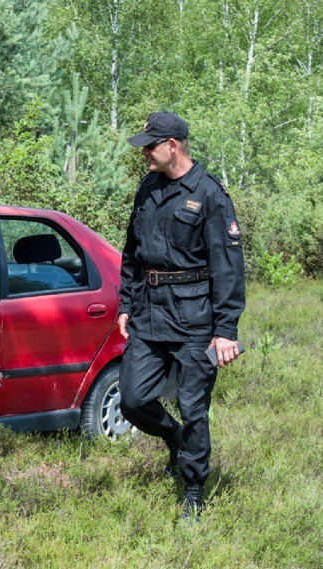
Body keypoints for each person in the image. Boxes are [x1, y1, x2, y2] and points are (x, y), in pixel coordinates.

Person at [117, 111, 245, 520]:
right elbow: (131, 253)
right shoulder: (147, 188)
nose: (145, 155)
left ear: (173, 146)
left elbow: (227, 267)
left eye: (150, 147)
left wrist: (224, 331)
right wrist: (124, 304)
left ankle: (193, 487)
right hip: (150, 314)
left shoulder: (209, 194)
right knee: (133, 399)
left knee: (193, 407)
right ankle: (171, 437)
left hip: (196, 320)